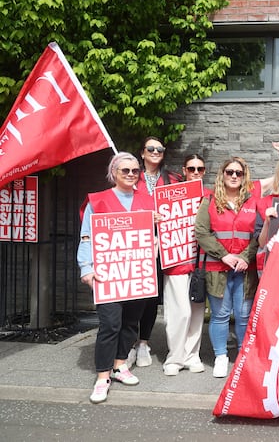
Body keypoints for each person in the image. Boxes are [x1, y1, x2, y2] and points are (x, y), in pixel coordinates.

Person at [78, 152, 155, 403]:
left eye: (135, 171)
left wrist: (156, 225)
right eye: (125, 171)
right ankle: (103, 377)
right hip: (108, 274)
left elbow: (154, 237)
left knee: (131, 322)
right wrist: (85, 267)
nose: (131, 175)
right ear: (114, 173)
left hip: (137, 274)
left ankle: (120, 365)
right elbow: (86, 235)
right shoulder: (97, 201)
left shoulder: (147, 200)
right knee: (110, 324)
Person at [195, 157, 259, 378]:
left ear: (244, 176)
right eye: (230, 172)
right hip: (217, 268)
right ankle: (221, 356)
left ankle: (242, 356)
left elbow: (258, 234)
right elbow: (201, 232)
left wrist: (244, 257)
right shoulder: (209, 200)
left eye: (238, 173)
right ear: (222, 174)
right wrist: (224, 255)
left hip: (245, 268)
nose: (234, 176)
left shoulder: (253, 201)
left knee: (243, 315)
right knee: (220, 315)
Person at [127, 136, 180, 369]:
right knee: (132, 296)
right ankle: (127, 344)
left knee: (150, 297)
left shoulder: (172, 179)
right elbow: (119, 208)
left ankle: (143, 342)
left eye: (160, 149)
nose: (155, 151)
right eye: (151, 148)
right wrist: (145, 218)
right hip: (135, 246)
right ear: (142, 152)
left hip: (163, 247)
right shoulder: (129, 177)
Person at [161, 155, 210, 376]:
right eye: (192, 168)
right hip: (176, 261)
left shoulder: (210, 195)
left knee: (197, 311)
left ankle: (192, 355)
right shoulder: (169, 196)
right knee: (179, 312)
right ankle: (175, 357)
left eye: (200, 168)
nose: (196, 172)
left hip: (201, 263)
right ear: (184, 170)